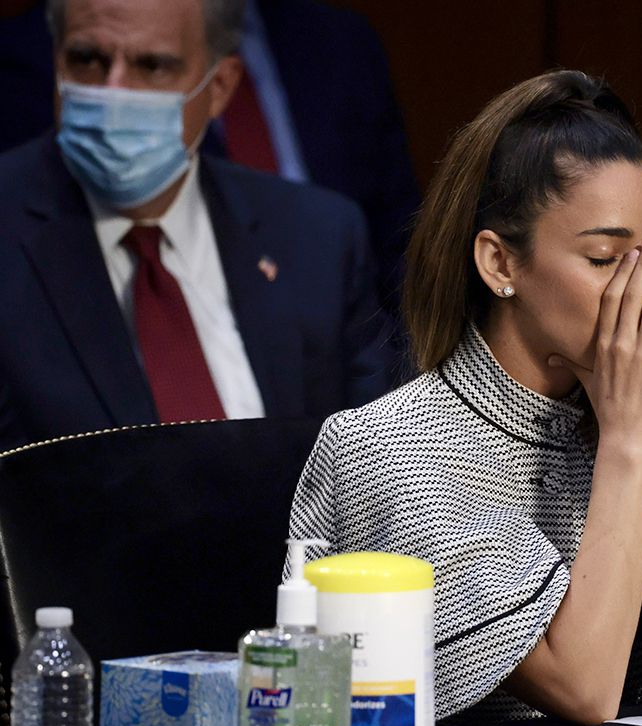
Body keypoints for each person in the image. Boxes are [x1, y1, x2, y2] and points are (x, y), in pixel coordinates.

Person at [289, 70, 642, 724]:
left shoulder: (606, 433)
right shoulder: (391, 454)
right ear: (500, 264)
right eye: (607, 258)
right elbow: (583, 689)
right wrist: (633, 447)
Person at [0, 0, 395, 451]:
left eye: (153, 66)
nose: (113, 93)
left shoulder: (319, 238)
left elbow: (379, 471)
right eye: (87, 60)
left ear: (220, 87)